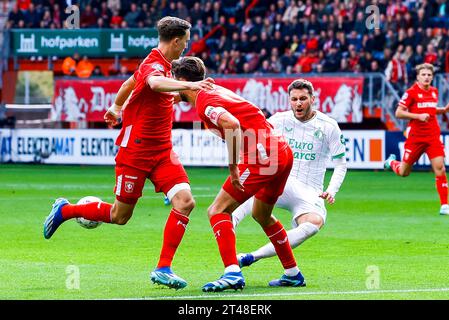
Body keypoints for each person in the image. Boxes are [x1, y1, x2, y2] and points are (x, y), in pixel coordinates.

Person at [43, 16, 214, 290]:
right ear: (177, 40)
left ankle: (163, 268)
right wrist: (192, 85)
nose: (186, 46)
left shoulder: (162, 66)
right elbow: (155, 84)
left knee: (185, 201)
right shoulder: (154, 65)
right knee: (119, 216)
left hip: (162, 152)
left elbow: (127, 85)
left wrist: (115, 108)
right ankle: (66, 210)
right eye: (185, 42)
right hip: (135, 151)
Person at [172, 56, 304, 292]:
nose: (171, 88)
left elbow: (231, 124)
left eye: (173, 81)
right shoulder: (210, 88)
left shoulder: (203, 101)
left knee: (217, 210)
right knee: (262, 215)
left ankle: (232, 273)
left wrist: (233, 167)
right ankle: (292, 273)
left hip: (261, 156)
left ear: (183, 81)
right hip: (280, 151)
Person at [233, 78, 347, 268]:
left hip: (310, 190)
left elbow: (341, 164)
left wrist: (331, 190)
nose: (298, 103)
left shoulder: (328, 125)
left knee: (314, 223)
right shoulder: (279, 120)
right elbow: (254, 140)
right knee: (243, 193)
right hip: (280, 182)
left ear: (313, 99)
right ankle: (228, 239)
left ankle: (251, 257)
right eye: (294, 99)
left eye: (303, 98)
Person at [384, 63, 449, 215]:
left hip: (433, 135)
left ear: (432, 77)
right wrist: (417, 116)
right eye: (423, 75)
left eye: (429, 75)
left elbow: (430, 110)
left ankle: (444, 205)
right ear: (418, 77)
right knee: (404, 172)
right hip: (416, 138)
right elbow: (399, 112)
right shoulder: (411, 92)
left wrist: (443, 110)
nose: (426, 77)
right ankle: (391, 162)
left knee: (440, 168)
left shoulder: (434, 91)